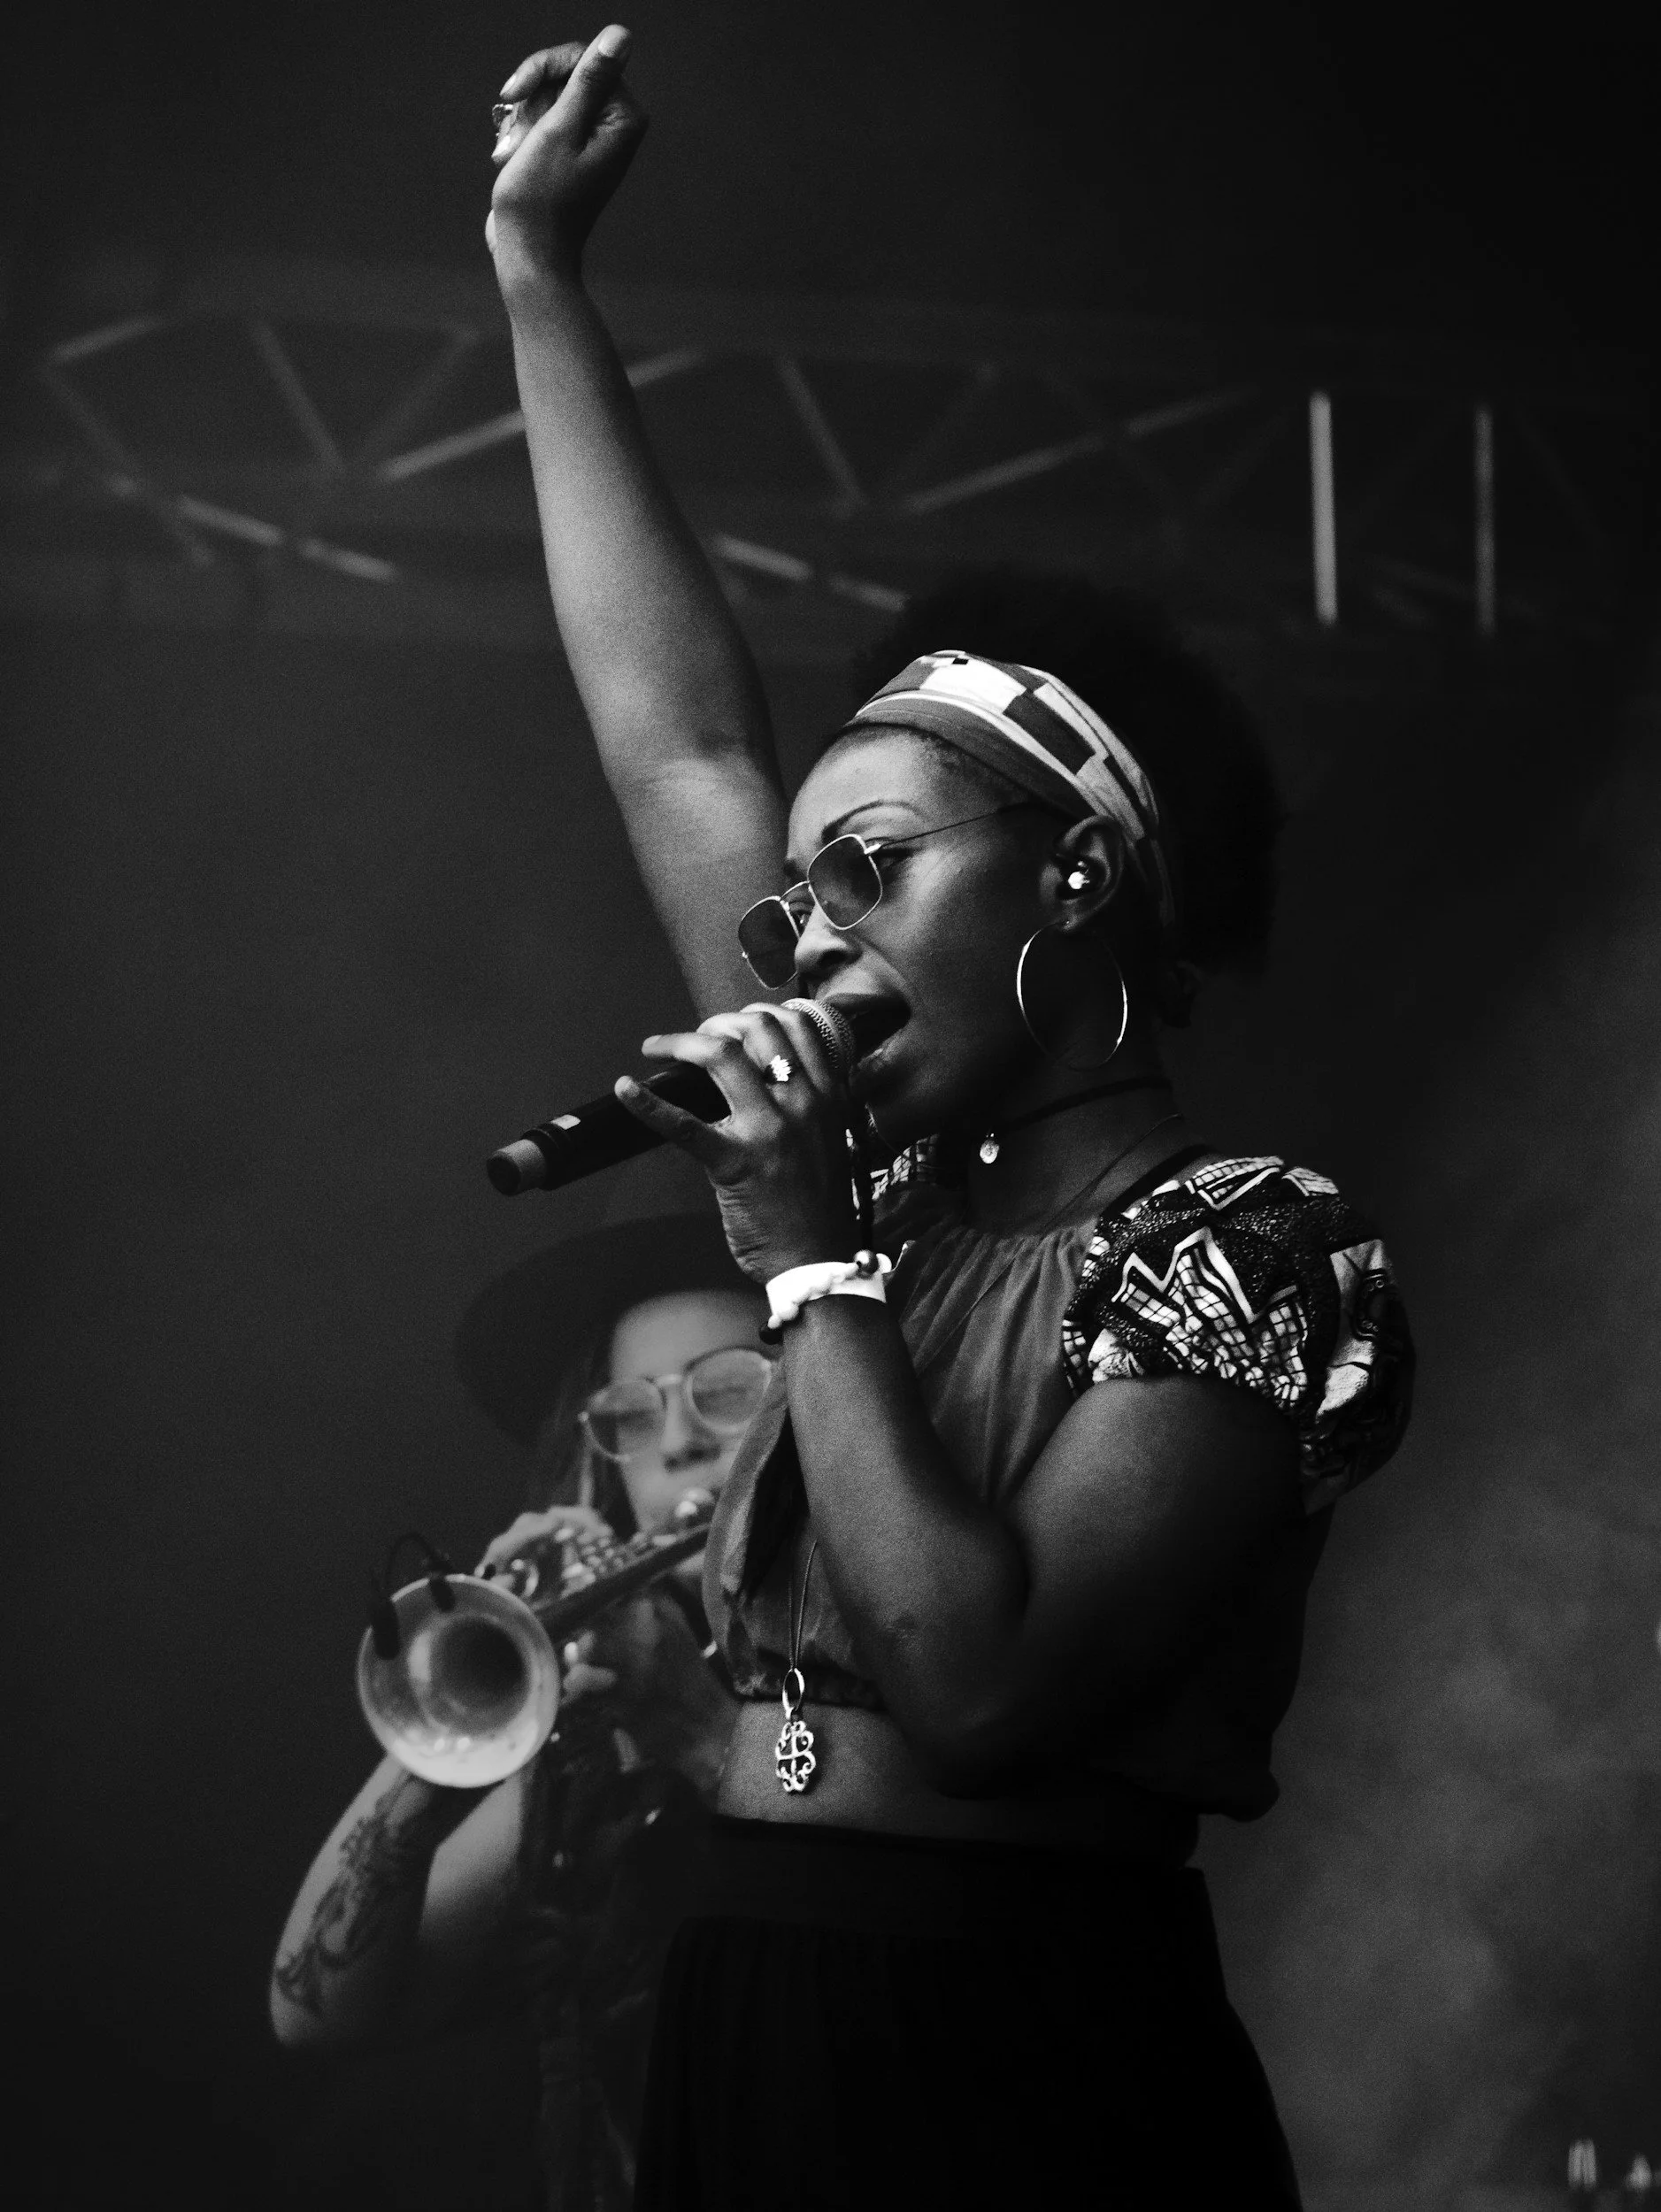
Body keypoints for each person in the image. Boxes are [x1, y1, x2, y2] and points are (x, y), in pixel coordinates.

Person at [486, 31, 1415, 2208]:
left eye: (875, 869)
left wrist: (806, 1250)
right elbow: (680, 745)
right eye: (792, 900)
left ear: (1076, 876)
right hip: (748, 1996)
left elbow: (981, 1685)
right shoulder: (889, 1168)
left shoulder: (1256, 1245)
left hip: (1010, 2038)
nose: (800, 934)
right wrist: (536, 273)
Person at [271, 1214, 769, 2212]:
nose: (673, 1442)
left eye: (723, 1393)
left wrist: (685, 1715)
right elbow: (315, 2015)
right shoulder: (597, 1729)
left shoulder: (908, 1659)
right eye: (629, 1414)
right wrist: (468, 1708)